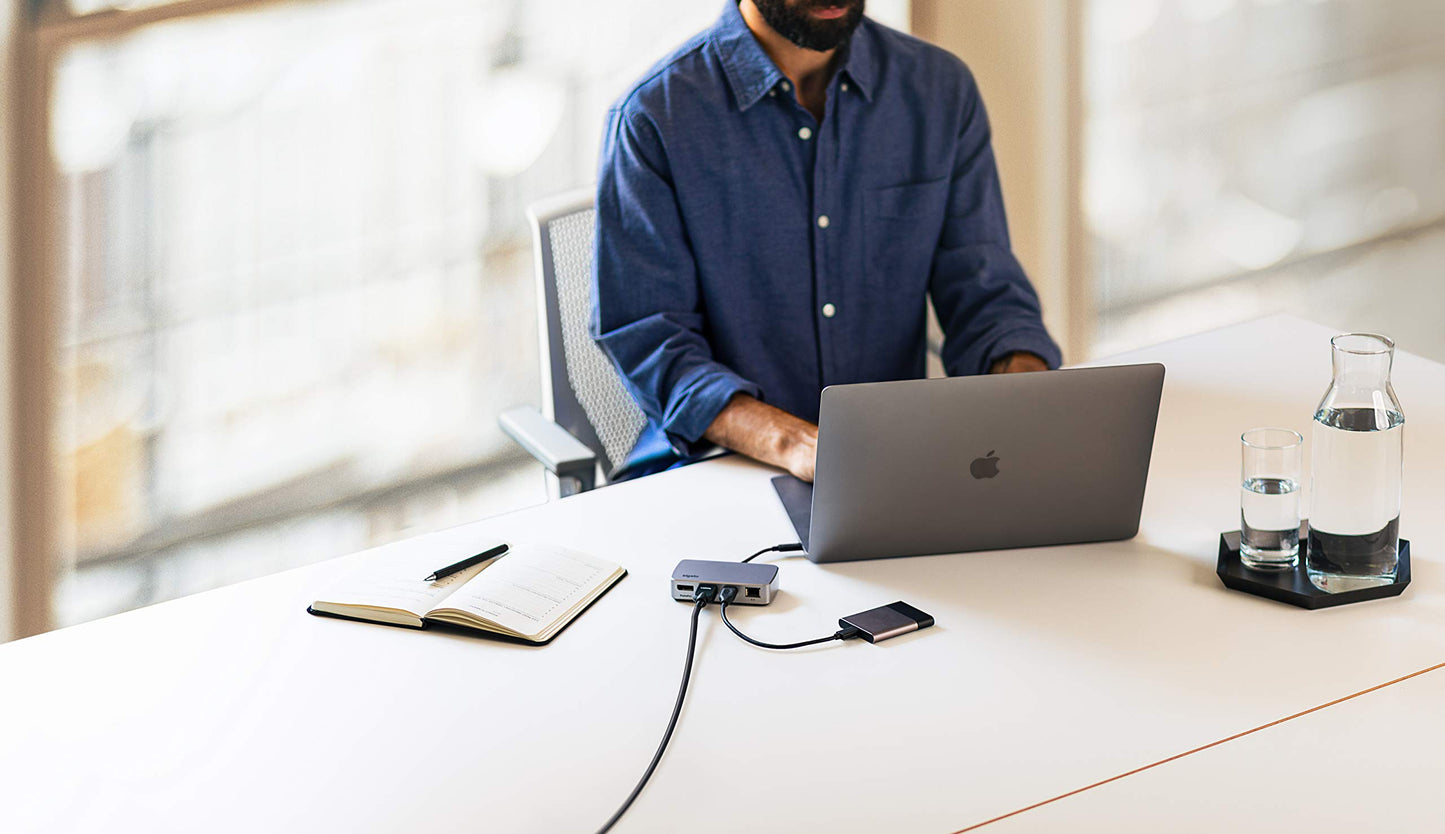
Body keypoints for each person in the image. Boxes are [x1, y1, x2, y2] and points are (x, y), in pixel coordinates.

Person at [592, 0, 1061, 484]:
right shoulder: (654, 117)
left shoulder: (939, 90)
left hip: (891, 467)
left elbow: (985, 292)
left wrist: (1024, 391)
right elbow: (652, 340)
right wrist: (793, 442)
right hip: (714, 469)